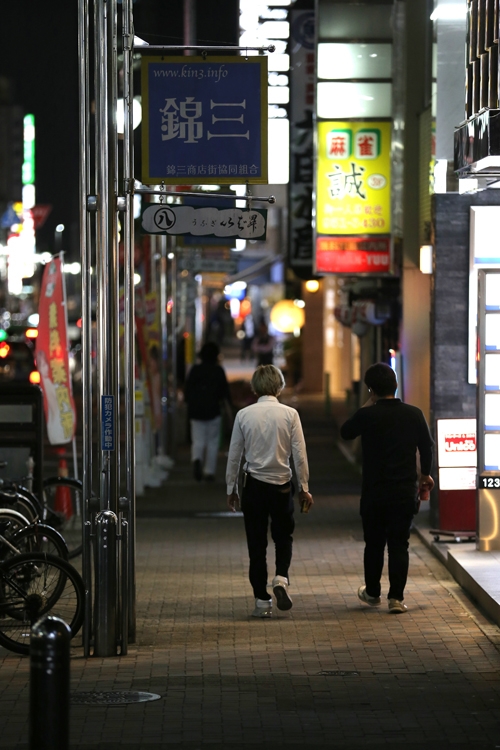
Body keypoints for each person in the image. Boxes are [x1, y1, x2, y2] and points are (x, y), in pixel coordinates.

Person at [340, 362, 434, 614]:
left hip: (374, 492)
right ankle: (396, 599)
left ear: (371, 389)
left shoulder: (367, 415)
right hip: (404, 491)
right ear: (395, 385)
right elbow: (427, 446)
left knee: (374, 544)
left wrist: (367, 403)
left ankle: (372, 593)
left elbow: (346, 432)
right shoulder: (413, 414)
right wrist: (425, 474)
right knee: (399, 544)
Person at [226, 365, 313, 618]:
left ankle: (261, 601)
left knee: (256, 544)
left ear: (255, 387)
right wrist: (305, 487)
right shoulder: (290, 414)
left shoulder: (244, 415)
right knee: (283, 537)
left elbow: (234, 456)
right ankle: (281, 578)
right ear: (280, 386)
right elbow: (300, 455)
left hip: (254, 486)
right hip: (282, 487)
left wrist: (231, 488)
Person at [184, 342, 232, 481]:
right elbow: (225, 393)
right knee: (212, 442)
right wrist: (229, 410)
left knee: (198, 440)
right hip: (213, 410)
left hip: (196, 411)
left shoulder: (195, 370)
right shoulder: (218, 371)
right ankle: (209, 471)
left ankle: (197, 459)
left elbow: (188, 391)